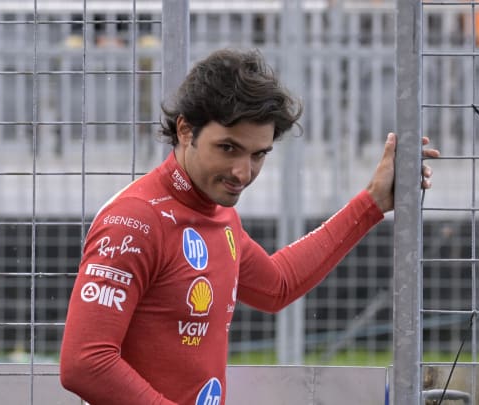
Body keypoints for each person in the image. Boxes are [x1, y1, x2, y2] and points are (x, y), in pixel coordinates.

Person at [59, 48, 440, 405]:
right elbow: (85, 362)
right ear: (186, 131)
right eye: (228, 148)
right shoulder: (136, 221)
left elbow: (277, 286)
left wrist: (372, 202)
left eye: (258, 155)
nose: (243, 173)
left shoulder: (216, 211)